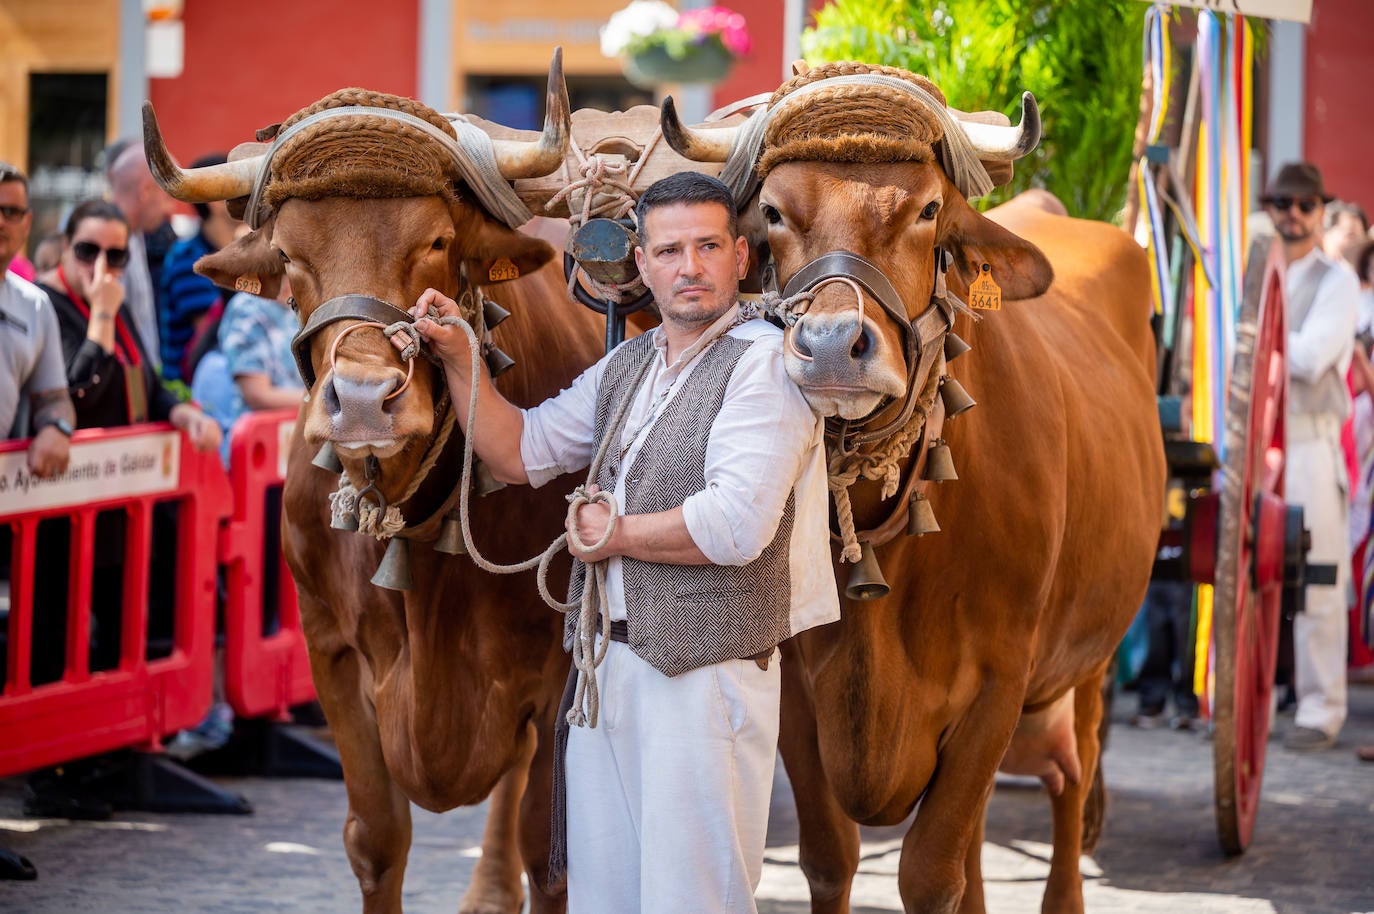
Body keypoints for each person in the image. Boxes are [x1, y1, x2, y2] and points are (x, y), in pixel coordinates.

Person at [409, 172, 838, 913]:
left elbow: (736, 525)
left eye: (708, 247)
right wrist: (458, 356)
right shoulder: (630, 365)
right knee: (605, 898)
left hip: (705, 680)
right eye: (669, 251)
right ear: (642, 264)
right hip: (604, 672)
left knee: (691, 901)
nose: (689, 267)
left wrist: (615, 534)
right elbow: (519, 450)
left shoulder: (767, 363)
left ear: (741, 257)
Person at [1263, 162, 1362, 751]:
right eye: (1284, 203)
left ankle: (1321, 710)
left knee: (1318, 577)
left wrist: (1253, 340)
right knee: (1247, 576)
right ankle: (1240, 701)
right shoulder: (1258, 268)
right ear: (1271, 209)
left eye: (1305, 204)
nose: (1294, 214)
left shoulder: (1338, 280)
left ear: (1321, 211)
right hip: (1255, 445)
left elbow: (1311, 356)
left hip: (1310, 440)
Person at [34, 199, 219, 447]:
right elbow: (79, 395)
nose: (100, 267)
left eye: (115, 256)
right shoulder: (43, 302)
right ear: (66, 247)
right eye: (87, 251)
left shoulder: (112, 301)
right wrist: (102, 314)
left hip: (127, 459)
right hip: (77, 463)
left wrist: (182, 413)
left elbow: (147, 384)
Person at [0, 161, 73, 476]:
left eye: (11, 212)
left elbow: (53, 398)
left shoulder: (36, 305)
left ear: (27, 223)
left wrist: (57, 427)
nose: (0, 221)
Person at [159, 152, 242, 382]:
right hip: (192, 389)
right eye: (241, 188)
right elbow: (216, 334)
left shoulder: (232, 252)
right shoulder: (187, 259)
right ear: (215, 200)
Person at [107, 141, 178, 369]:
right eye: (167, 196)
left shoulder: (134, 235)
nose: (170, 209)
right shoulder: (105, 240)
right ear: (146, 191)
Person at [1130, 579, 1199, 730]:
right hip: (1155, 577)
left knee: (1185, 641)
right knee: (1155, 640)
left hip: (1185, 578)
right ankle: (1151, 702)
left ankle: (1187, 706)